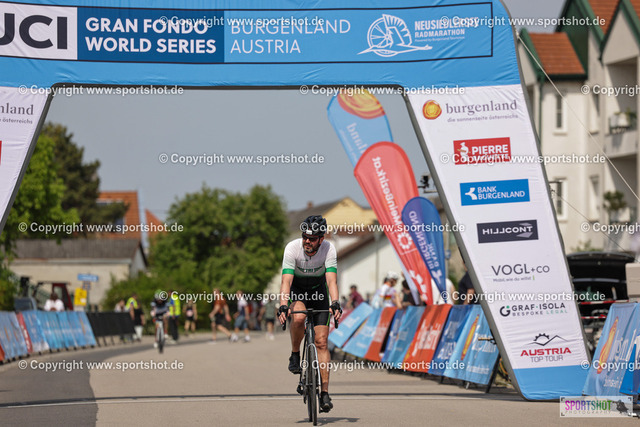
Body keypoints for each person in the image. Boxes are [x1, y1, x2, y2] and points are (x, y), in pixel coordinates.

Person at [277, 215, 342, 413]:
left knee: (321, 342)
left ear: (321, 239)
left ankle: (325, 393)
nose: (307, 241)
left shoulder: (329, 249)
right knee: (298, 317)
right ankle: (295, 354)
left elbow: (331, 280)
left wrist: (335, 303)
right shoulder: (292, 248)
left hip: (318, 292)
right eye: (305, 237)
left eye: (312, 239)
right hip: (298, 291)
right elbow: (286, 281)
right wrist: (283, 305)